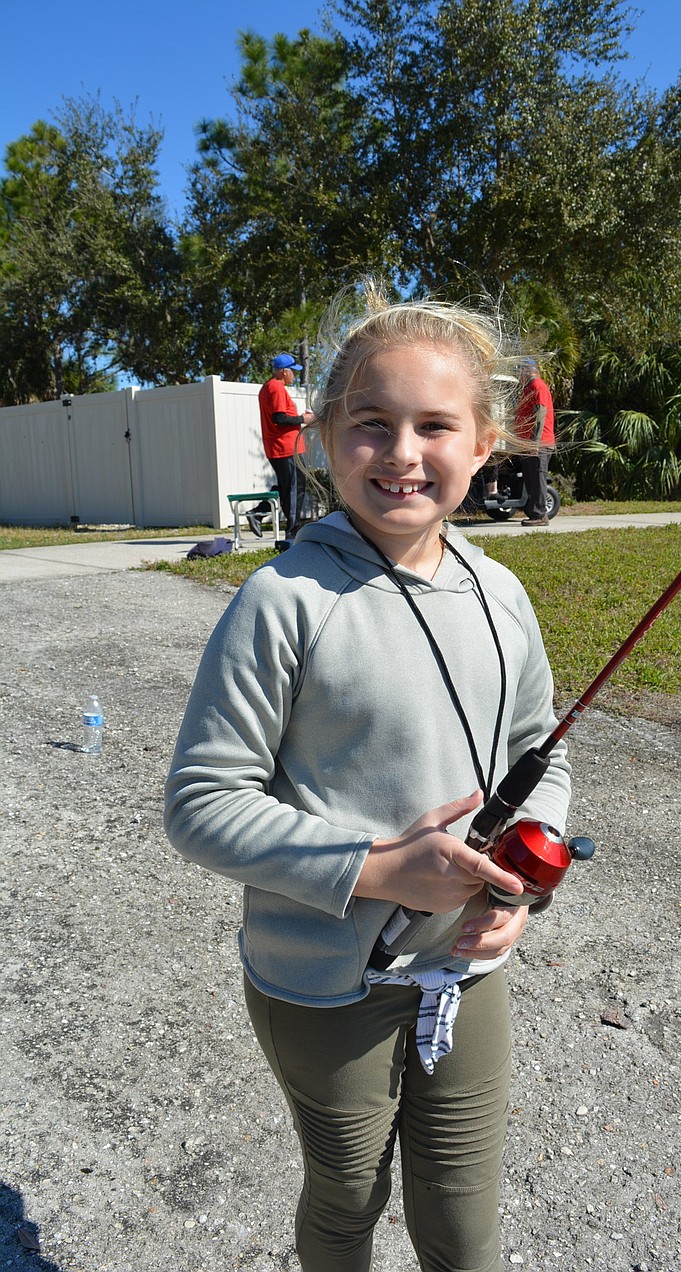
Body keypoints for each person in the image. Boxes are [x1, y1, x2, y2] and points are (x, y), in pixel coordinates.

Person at [163, 285, 572, 1272]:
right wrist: (377, 869)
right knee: (349, 1195)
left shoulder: (501, 592)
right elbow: (200, 805)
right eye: (371, 425)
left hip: (466, 968)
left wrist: (527, 886)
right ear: (320, 439)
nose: (400, 454)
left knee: (462, 1206)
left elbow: (542, 753)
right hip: (322, 989)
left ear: (485, 445)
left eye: (435, 426)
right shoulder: (282, 600)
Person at [246, 353, 315, 541]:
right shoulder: (276, 387)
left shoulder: (269, 387)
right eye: (292, 371)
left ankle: (259, 513)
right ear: (284, 372)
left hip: (281, 447)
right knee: (295, 486)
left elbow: (280, 416)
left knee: (287, 486)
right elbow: (279, 418)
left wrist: (300, 418)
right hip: (284, 447)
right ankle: (292, 531)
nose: (294, 375)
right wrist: (303, 419)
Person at [514, 358, 555, 527]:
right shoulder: (528, 388)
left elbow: (540, 413)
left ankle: (539, 514)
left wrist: (534, 442)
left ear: (528, 371)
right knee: (530, 479)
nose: (518, 375)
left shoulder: (537, 385)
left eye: (520, 371)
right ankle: (533, 513)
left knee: (537, 478)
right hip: (527, 443)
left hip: (539, 443)